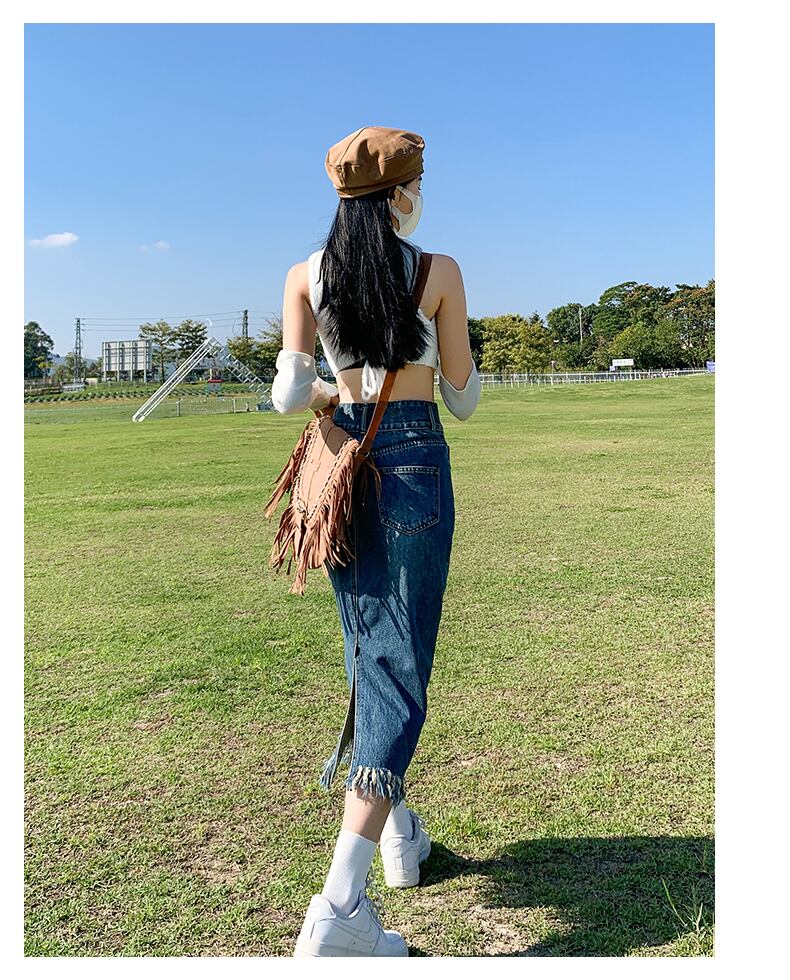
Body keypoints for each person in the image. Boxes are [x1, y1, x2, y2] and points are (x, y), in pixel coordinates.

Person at [270, 125, 481, 957]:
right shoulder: (438, 272)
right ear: (401, 193)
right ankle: (339, 906)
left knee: (370, 649)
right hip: (414, 457)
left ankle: (399, 833)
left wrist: (335, 393)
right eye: (417, 183)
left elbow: (290, 395)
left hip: (340, 467)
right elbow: (461, 398)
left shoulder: (305, 275)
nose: (419, 194)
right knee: (398, 660)